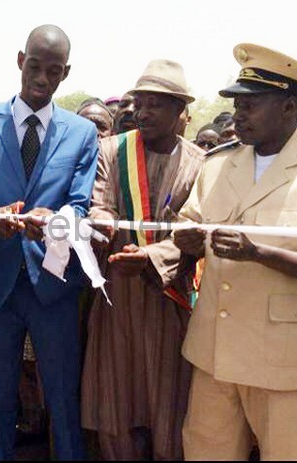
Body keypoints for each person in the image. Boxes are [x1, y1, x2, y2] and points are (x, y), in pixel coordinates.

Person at [171, 43, 297, 460]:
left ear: (290, 107)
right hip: (214, 348)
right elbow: (192, 223)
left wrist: (259, 254)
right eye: (237, 103)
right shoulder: (219, 163)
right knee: (206, 451)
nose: (239, 113)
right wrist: (187, 242)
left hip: (282, 356)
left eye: (252, 104)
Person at [0, 24, 99, 460]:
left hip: (54, 284)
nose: (41, 78)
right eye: (35, 66)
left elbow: (80, 205)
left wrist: (56, 220)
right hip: (0, 283)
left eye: (53, 71)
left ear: (66, 73)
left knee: (61, 396)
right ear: (20, 61)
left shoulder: (81, 133)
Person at [81, 59, 205, 460]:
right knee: (117, 404)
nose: (143, 112)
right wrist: (104, 228)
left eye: (156, 105)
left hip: (169, 296)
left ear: (180, 111)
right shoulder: (112, 152)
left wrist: (151, 256)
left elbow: (197, 227)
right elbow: (100, 205)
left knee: (169, 405)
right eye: (140, 103)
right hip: (118, 291)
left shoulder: (201, 164)